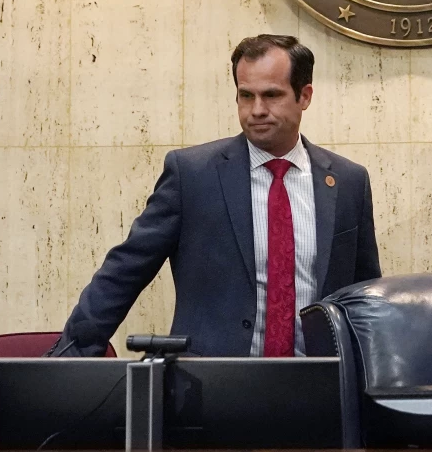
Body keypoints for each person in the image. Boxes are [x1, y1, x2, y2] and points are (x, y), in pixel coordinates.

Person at [50, 34, 381, 357]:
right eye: (246, 96)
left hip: (320, 386)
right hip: (211, 387)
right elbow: (125, 270)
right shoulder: (193, 175)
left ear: (304, 96)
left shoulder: (348, 181)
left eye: (272, 95)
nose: (257, 110)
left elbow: (365, 296)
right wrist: (70, 357)